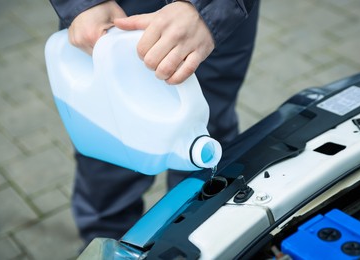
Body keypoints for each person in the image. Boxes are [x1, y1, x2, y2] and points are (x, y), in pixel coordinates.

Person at [49, 0, 260, 246]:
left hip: (217, 27)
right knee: (109, 171)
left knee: (209, 168)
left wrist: (209, 9)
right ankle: (109, 249)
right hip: (113, 20)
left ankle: (199, 245)